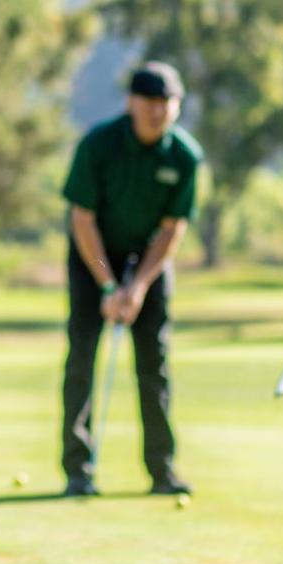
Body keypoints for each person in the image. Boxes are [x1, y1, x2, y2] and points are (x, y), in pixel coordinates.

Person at [60, 61, 202, 498]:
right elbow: (81, 219)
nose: (158, 111)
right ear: (131, 103)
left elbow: (172, 228)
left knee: (153, 362)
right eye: (150, 102)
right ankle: (78, 470)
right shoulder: (98, 145)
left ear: (176, 107)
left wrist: (137, 286)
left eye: (167, 103)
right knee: (82, 357)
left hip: (149, 260)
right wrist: (107, 286)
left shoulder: (184, 156)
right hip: (93, 256)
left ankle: (162, 469)